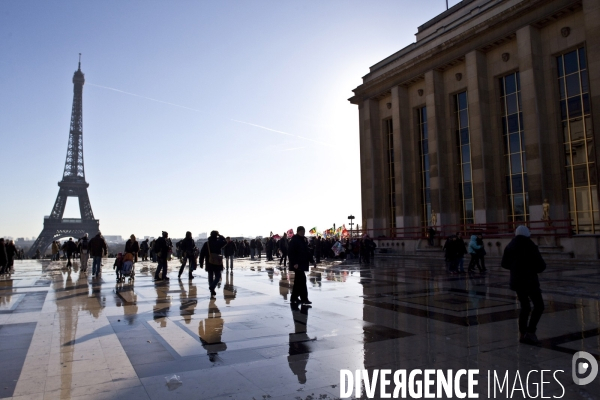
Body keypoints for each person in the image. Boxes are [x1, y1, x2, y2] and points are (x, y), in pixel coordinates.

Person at [501, 225, 546, 345]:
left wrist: (515, 268)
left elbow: (504, 264)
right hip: (530, 281)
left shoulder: (510, 246)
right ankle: (531, 331)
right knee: (539, 306)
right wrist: (531, 269)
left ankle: (522, 333)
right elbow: (541, 265)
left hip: (517, 281)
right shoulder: (530, 245)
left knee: (525, 307)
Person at [288, 226, 313, 305]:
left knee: (298, 282)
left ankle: (294, 298)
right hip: (297, 265)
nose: (303, 232)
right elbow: (291, 252)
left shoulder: (303, 240)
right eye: (301, 231)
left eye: (304, 231)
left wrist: (312, 261)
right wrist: (294, 263)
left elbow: (307, 252)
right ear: (298, 231)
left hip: (302, 263)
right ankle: (304, 298)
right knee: (302, 281)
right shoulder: (294, 240)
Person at [199, 231, 227, 297]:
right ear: (216, 235)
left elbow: (202, 253)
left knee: (210, 276)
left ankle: (212, 290)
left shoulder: (207, 243)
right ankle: (212, 286)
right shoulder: (218, 243)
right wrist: (220, 236)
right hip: (217, 262)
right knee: (218, 276)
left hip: (209, 262)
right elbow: (225, 241)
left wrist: (201, 262)